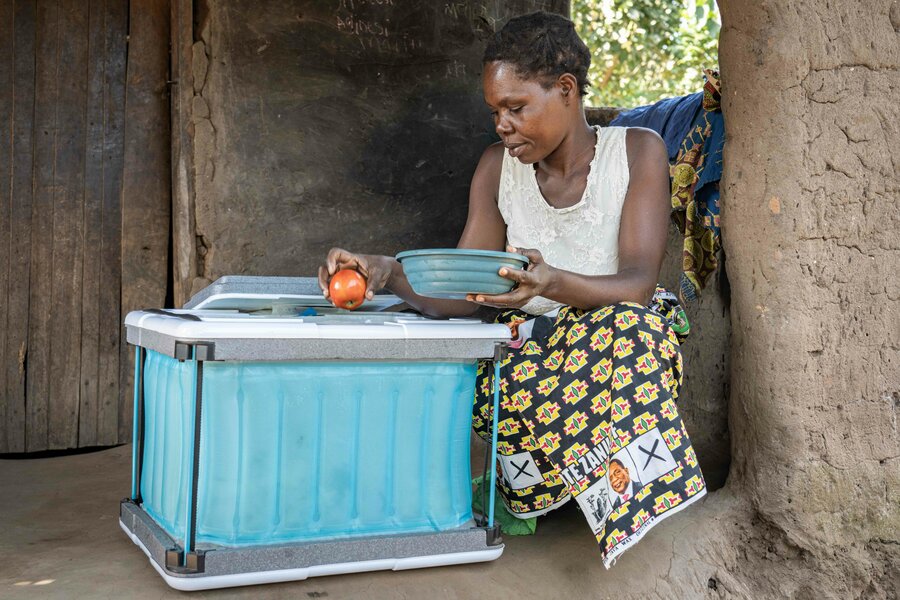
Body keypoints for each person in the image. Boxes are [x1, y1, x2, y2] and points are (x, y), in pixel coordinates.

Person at [318, 11, 706, 568]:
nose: (502, 124)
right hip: (527, 348)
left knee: (634, 333)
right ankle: (540, 489)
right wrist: (386, 271)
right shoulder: (496, 169)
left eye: (516, 108)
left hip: (609, 335)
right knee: (466, 368)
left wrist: (553, 283)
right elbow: (460, 294)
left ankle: (620, 503)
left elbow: (638, 285)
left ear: (566, 90)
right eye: (495, 111)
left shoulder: (638, 153)